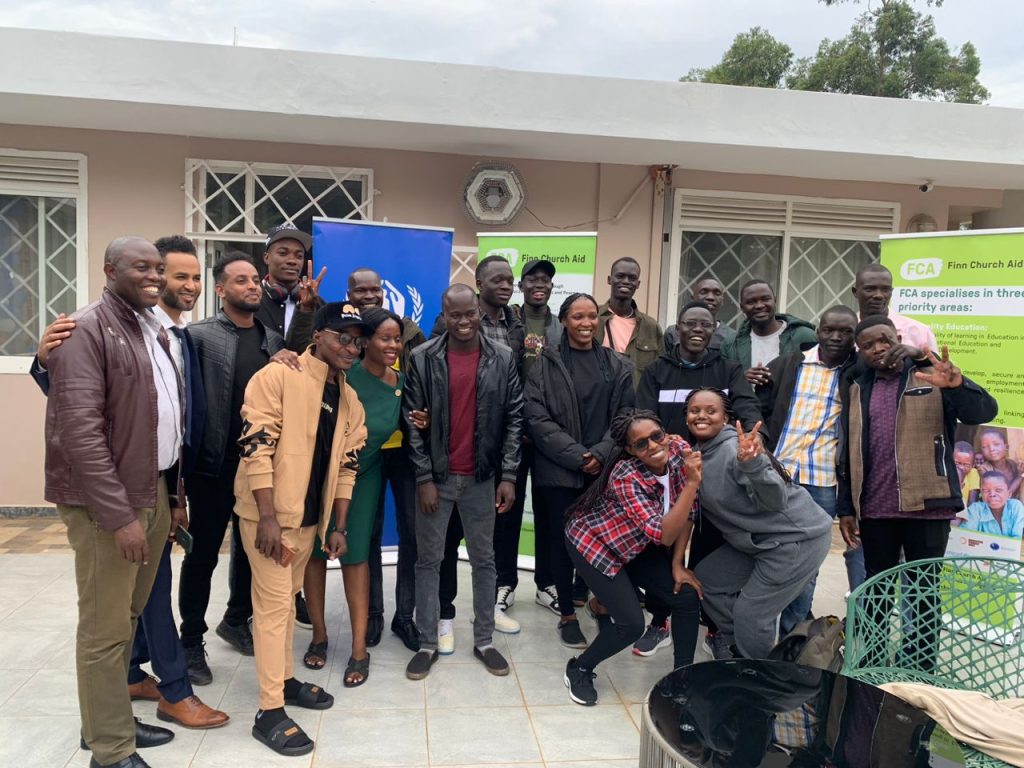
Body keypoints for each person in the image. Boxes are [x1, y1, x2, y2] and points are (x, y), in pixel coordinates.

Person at [44, 236, 184, 768]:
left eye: (158, 268)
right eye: (140, 267)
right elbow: (79, 432)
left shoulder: (153, 330)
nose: (153, 275)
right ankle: (109, 751)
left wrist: (172, 499)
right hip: (111, 504)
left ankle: (106, 721)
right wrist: (119, 514)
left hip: (154, 489)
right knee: (104, 630)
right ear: (109, 270)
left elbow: (167, 419)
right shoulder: (85, 330)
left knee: (125, 618)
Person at [235, 302, 368, 756]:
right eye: (343, 337)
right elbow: (256, 446)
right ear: (319, 336)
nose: (352, 347)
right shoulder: (278, 377)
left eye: (358, 339)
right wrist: (267, 517)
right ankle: (269, 711)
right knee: (273, 609)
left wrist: (338, 525)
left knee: (287, 607)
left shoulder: (349, 398)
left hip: (310, 522)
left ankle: (286, 681)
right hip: (270, 519)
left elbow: (348, 466)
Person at [837, 317, 997, 671]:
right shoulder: (856, 384)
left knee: (924, 591)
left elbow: (984, 410)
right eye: (868, 345)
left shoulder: (930, 373)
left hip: (929, 503)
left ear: (896, 338)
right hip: (875, 506)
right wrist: (846, 505)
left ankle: (919, 664)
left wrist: (956, 384)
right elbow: (847, 448)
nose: (878, 348)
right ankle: (874, 659)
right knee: (877, 589)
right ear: (860, 352)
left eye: (883, 339)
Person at [404, 283, 524, 680]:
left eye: (469, 313)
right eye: (454, 315)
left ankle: (484, 640)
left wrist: (508, 476)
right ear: (443, 314)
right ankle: (426, 642)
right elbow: (413, 423)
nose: (463, 322)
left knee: (485, 561)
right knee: (429, 561)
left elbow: (513, 421)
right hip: (437, 478)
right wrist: (423, 477)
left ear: (478, 310)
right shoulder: (422, 358)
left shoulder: (503, 357)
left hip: (482, 478)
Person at [635, 300, 763, 658]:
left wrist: (752, 436)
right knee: (664, 548)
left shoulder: (729, 369)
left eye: (704, 325)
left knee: (709, 550)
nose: (697, 330)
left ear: (714, 329)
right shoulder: (658, 370)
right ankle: (660, 620)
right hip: (669, 475)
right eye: (689, 324)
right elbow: (644, 415)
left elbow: (746, 408)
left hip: (718, 473)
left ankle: (712, 626)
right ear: (677, 327)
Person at [180, 253, 286, 682]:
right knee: (203, 554)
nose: (252, 286)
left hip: (258, 466)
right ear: (220, 290)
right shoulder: (198, 336)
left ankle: (236, 619)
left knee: (251, 550)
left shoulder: (272, 339)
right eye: (240, 281)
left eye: (255, 280)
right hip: (213, 466)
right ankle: (190, 641)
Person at [563, 410, 702, 706]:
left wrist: (678, 565)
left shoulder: (679, 451)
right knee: (631, 624)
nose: (653, 445)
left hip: (636, 544)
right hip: (595, 544)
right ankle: (580, 668)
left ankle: (683, 681)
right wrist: (691, 484)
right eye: (641, 444)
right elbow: (661, 534)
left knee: (686, 596)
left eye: (656, 436)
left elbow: (689, 512)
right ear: (629, 450)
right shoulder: (626, 475)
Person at [685, 388, 833, 660]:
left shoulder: (737, 450)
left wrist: (753, 465)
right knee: (706, 578)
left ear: (726, 418)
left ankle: (763, 679)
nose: (702, 416)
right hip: (760, 541)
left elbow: (775, 500)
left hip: (797, 538)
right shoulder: (698, 453)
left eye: (711, 411)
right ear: (686, 418)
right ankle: (743, 649)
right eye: (695, 411)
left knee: (751, 616)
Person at [302, 308, 409, 686]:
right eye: (384, 338)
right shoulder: (345, 377)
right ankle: (319, 635)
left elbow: (406, 424)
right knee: (314, 553)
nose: (392, 345)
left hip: (364, 477)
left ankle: (359, 649)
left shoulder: (401, 383)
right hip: (318, 477)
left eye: (398, 338)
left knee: (357, 556)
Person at [524, 293, 635, 649]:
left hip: (603, 469)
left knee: (603, 541)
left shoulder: (617, 365)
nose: (586, 324)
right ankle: (567, 616)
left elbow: (625, 417)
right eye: (578, 317)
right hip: (559, 470)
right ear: (565, 321)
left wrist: (600, 454)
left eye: (592, 317)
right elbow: (536, 417)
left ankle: (599, 602)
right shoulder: (545, 363)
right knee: (561, 542)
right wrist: (577, 456)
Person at [430, 257, 526, 643]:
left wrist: (508, 470)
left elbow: (513, 404)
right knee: (449, 542)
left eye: (509, 279)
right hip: (450, 460)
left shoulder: (514, 326)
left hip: (489, 459)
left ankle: (487, 614)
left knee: (489, 547)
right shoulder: (449, 324)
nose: (505, 285)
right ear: (479, 283)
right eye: (496, 279)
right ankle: (445, 614)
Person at [757, 305, 861, 634]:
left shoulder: (857, 373)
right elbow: (755, 402)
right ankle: (752, 632)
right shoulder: (790, 363)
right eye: (829, 329)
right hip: (777, 474)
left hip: (822, 482)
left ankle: (792, 637)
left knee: (807, 566)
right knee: (762, 552)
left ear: (854, 337)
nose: (835, 337)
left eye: (845, 332)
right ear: (818, 331)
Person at [343, 267, 427, 650]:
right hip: (366, 460)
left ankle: (404, 617)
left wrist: (423, 415)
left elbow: (422, 384)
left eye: (375, 288)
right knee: (369, 534)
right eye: (361, 289)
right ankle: (372, 614)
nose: (369, 294)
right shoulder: (345, 355)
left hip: (406, 456)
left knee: (411, 534)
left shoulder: (411, 334)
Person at [505, 258, 561, 617]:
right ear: (521, 285)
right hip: (511, 431)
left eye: (546, 280)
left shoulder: (561, 326)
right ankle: (504, 583)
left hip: (548, 434)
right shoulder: (508, 322)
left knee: (548, 512)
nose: (539, 284)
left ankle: (547, 584)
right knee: (507, 512)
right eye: (532, 279)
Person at [720, 280, 817, 387]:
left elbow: (817, 377)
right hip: (747, 403)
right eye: (751, 302)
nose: (759, 306)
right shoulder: (730, 344)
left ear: (775, 301)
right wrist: (740, 379)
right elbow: (721, 383)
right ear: (742, 307)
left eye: (765, 299)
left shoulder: (804, 336)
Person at [596, 256, 663, 388]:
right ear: (610, 280)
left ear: (638, 284)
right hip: (597, 400)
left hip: (635, 404)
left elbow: (660, 371)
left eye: (632, 278)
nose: (626, 281)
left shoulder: (650, 326)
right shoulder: (592, 317)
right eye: (620, 276)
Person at [256, 224, 325, 352]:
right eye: (283, 253)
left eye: (299, 256)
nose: (292, 261)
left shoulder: (317, 305)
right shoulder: (252, 301)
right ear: (266, 257)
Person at [850, 263, 937, 352]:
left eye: (885, 289)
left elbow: (934, 365)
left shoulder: (920, 332)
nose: (878, 295)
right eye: (870, 289)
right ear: (855, 292)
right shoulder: (846, 331)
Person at [664, 277, 736, 353]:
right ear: (692, 299)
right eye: (703, 292)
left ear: (722, 301)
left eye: (717, 293)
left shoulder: (732, 337)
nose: (710, 297)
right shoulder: (673, 333)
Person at [956, 472, 1024, 537]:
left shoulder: (1015, 507)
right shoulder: (976, 509)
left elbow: (1018, 538)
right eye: (986, 491)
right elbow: (965, 537)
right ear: (981, 494)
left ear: (1009, 494)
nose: (992, 494)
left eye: (998, 490)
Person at [977, 428, 1022, 498]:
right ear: (981, 451)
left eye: (996, 444)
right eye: (985, 447)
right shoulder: (983, 469)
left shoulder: (1013, 464)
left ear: (1006, 447)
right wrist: (1020, 476)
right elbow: (1004, 496)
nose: (991, 449)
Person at [954, 441, 981, 506]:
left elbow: (972, 503)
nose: (961, 467)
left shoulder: (973, 473)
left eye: (966, 465)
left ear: (973, 465)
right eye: (957, 463)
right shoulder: (947, 472)